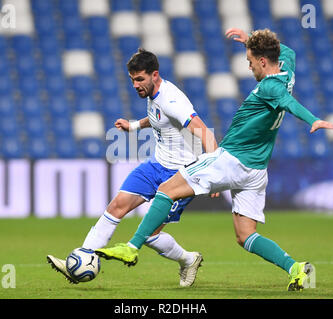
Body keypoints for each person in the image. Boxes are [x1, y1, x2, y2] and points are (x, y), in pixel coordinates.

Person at [94, 28, 333, 291]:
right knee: (245, 235)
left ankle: (131, 248)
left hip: (232, 159)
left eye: (251, 61)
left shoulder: (269, 86)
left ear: (263, 62)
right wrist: (250, 40)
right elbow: (287, 50)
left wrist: (313, 120)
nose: (250, 66)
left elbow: (288, 102)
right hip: (256, 169)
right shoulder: (286, 67)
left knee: (165, 191)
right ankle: (296, 268)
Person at [47, 48, 218, 287]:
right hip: (156, 164)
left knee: (149, 235)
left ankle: (188, 259)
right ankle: (82, 258)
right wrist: (135, 125)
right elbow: (159, 117)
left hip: (181, 175)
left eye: (140, 79)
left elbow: (202, 130)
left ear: (154, 75)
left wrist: (213, 170)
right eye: (132, 80)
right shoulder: (154, 95)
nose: (136, 85)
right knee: (116, 206)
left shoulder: (172, 99)